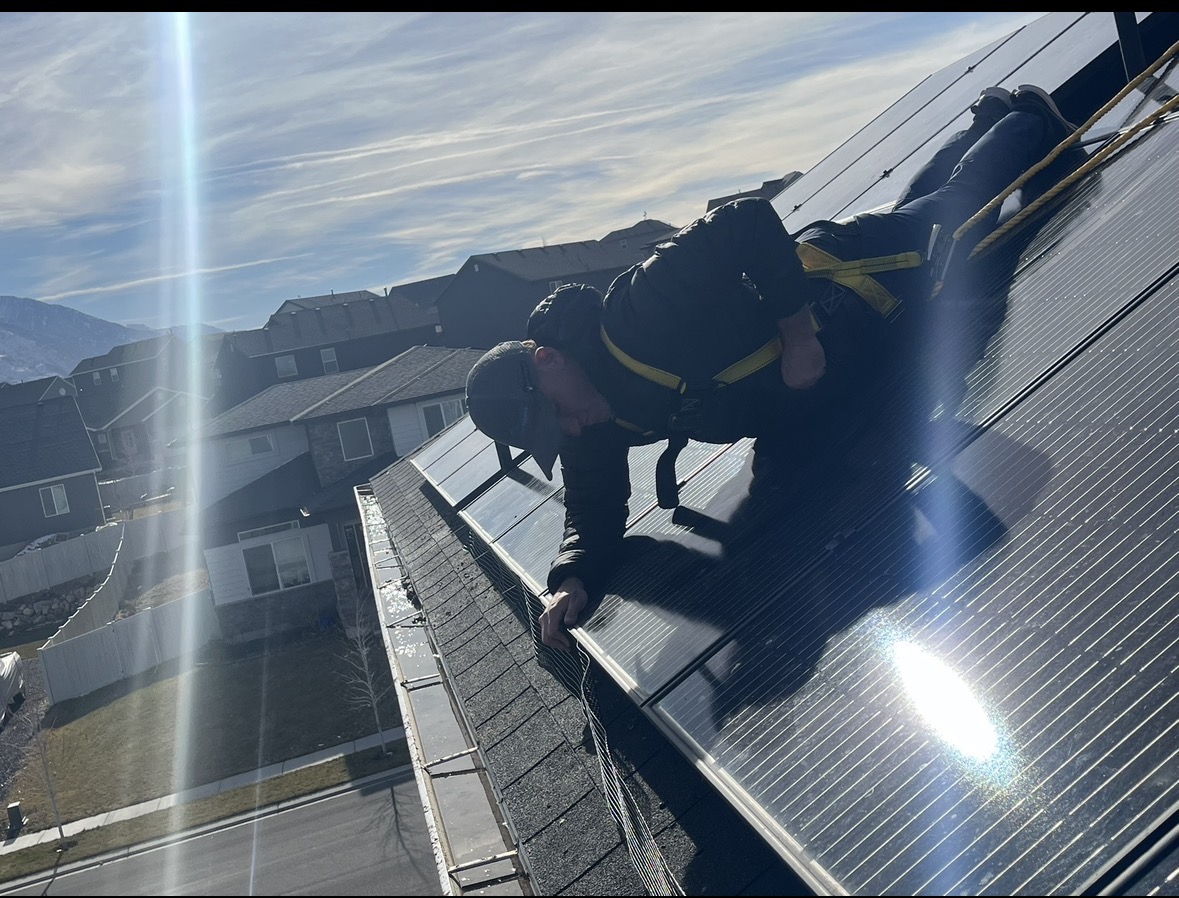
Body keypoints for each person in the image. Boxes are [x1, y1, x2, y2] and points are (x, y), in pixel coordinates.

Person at [464, 84, 1078, 650]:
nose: (568, 431)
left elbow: (743, 221)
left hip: (845, 288)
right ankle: (989, 122)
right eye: (554, 436)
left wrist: (797, 334)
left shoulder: (634, 312)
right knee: (923, 208)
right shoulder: (589, 414)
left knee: (956, 210)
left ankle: (1028, 118)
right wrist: (572, 575)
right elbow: (593, 503)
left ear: (547, 360)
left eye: (555, 416)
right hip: (830, 347)